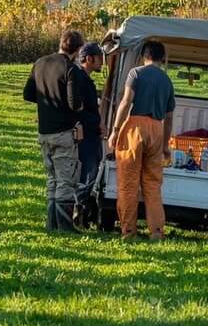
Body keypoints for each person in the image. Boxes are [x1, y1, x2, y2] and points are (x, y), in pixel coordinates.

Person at [107, 39, 175, 241]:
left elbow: (126, 102)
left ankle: (129, 231)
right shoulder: (167, 81)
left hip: (135, 127)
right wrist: (165, 145)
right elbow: (169, 117)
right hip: (157, 129)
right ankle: (156, 231)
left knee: (129, 181)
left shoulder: (136, 73)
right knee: (152, 183)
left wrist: (115, 131)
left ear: (144, 56)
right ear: (162, 58)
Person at [24, 29, 84, 231]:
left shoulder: (40, 63)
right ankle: (64, 226)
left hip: (44, 131)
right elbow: (74, 103)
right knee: (65, 179)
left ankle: (51, 223)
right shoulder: (70, 69)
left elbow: (28, 94)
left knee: (52, 178)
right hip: (63, 132)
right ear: (78, 50)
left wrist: (46, 104)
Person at [72, 42, 105, 223]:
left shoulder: (86, 80)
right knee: (87, 172)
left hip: (92, 132)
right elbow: (78, 109)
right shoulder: (80, 80)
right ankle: (79, 209)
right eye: (99, 58)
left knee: (91, 172)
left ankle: (82, 209)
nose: (102, 62)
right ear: (89, 59)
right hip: (85, 134)